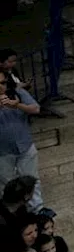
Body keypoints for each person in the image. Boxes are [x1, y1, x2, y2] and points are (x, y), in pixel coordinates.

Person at [0, 72, 43, 213]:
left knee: (31, 180)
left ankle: (37, 210)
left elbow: (35, 108)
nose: (1, 87)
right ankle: (13, 213)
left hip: (25, 145)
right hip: (3, 152)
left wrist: (17, 105)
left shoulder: (17, 93)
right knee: (7, 184)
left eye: (3, 83)